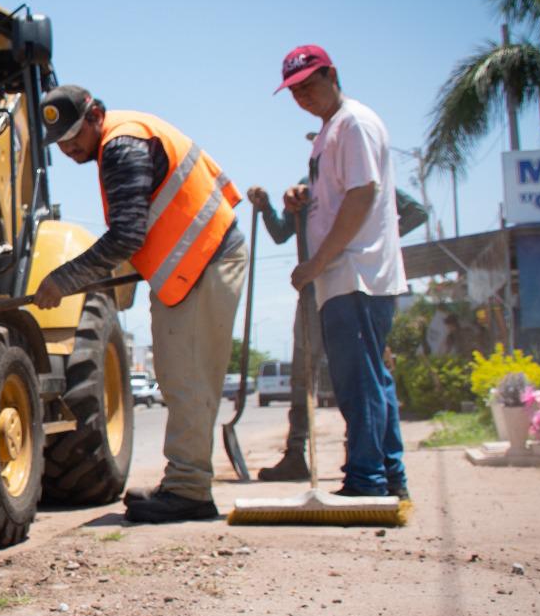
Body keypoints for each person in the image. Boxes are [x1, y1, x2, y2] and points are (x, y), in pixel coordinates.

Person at [34, 85, 246, 523]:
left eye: (74, 136)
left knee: (186, 379)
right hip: (199, 261)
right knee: (178, 377)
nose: (71, 148)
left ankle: (189, 492)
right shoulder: (126, 136)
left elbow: (128, 235)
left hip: (205, 261)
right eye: (61, 143)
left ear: (95, 115)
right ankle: (184, 481)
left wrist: (63, 279)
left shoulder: (122, 145)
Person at [275, 45, 408, 499]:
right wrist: (302, 195)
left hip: (356, 274)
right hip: (347, 276)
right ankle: (390, 476)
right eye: (294, 91)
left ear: (332, 74)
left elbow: (361, 195)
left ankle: (366, 480)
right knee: (372, 377)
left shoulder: (354, 123)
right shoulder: (330, 131)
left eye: (309, 85)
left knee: (359, 382)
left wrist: (317, 262)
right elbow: (335, 194)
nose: (303, 97)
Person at [247, 167, 426, 482]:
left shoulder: (364, 178)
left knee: (360, 375)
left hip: (355, 289)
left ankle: (365, 457)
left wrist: (373, 240)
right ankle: (295, 453)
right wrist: (266, 208)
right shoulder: (306, 187)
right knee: (303, 378)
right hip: (314, 294)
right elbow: (280, 233)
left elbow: (416, 213)